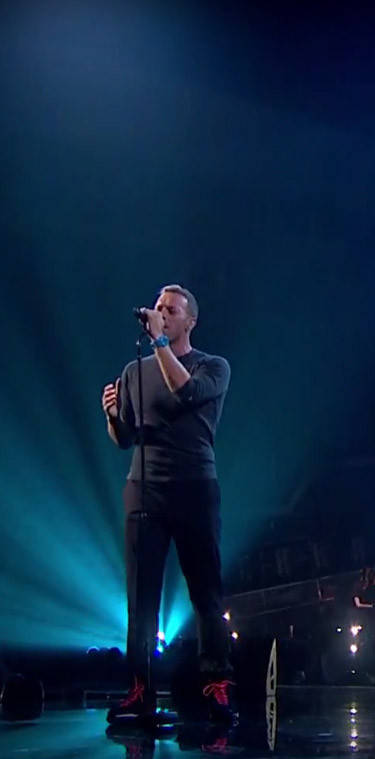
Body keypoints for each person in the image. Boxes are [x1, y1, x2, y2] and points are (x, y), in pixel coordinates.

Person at [101, 285, 233, 725]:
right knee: (141, 599)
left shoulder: (212, 367)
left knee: (206, 593)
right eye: (158, 308)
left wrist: (159, 342)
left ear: (190, 321)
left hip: (195, 487)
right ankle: (139, 689)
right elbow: (125, 438)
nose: (161, 313)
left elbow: (186, 393)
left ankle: (216, 685)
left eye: (171, 310)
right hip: (145, 490)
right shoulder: (134, 372)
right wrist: (112, 416)